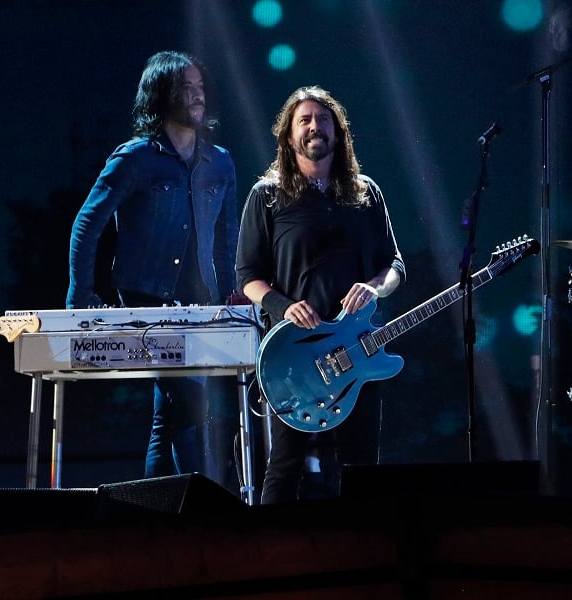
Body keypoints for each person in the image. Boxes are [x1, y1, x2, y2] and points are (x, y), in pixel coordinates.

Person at [67, 50, 238, 480]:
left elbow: (226, 237)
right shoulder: (135, 157)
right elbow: (88, 223)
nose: (196, 96)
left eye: (199, 87)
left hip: (201, 302)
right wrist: (81, 295)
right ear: (161, 93)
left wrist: (229, 297)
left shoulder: (220, 161)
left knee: (171, 414)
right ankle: (205, 508)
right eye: (185, 88)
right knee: (189, 407)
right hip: (147, 296)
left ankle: (153, 514)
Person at [236, 85, 406, 503]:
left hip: (358, 351)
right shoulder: (268, 195)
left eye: (324, 119)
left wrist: (373, 286)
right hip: (295, 355)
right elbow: (247, 275)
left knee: (360, 466)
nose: (316, 127)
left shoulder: (366, 192)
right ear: (289, 136)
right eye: (305, 120)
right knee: (286, 466)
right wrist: (283, 306)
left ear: (338, 131)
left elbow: (395, 266)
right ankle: (270, 555)